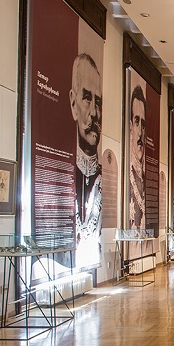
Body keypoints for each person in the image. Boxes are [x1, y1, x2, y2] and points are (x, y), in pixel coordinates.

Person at [70, 53, 103, 267]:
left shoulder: (100, 176)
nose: (94, 113)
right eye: (87, 98)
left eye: (98, 102)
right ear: (73, 103)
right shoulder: (69, 173)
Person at [127, 84, 146, 229]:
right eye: (136, 121)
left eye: (143, 125)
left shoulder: (144, 177)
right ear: (130, 126)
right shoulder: (128, 176)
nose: (140, 132)